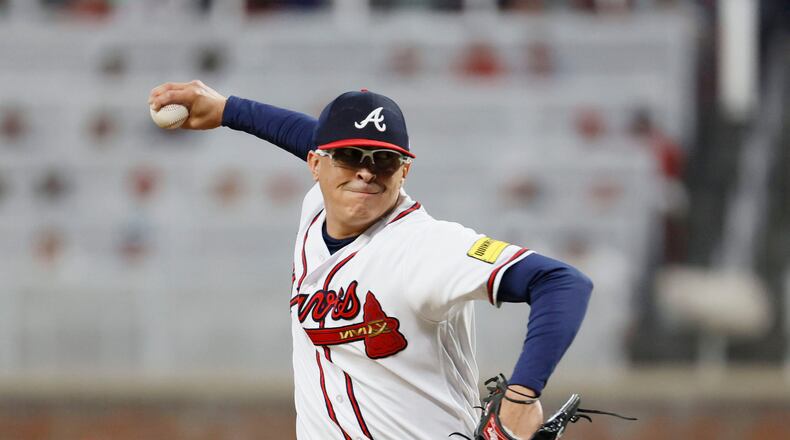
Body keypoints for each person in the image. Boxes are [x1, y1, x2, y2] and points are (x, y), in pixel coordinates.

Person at [149, 80, 592, 440]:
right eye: (349, 156)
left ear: (404, 172)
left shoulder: (427, 247)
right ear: (315, 165)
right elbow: (313, 137)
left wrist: (520, 397)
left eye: (384, 161)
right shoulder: (319, 207)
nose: (365, 171)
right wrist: (230, 110)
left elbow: (563, 283)